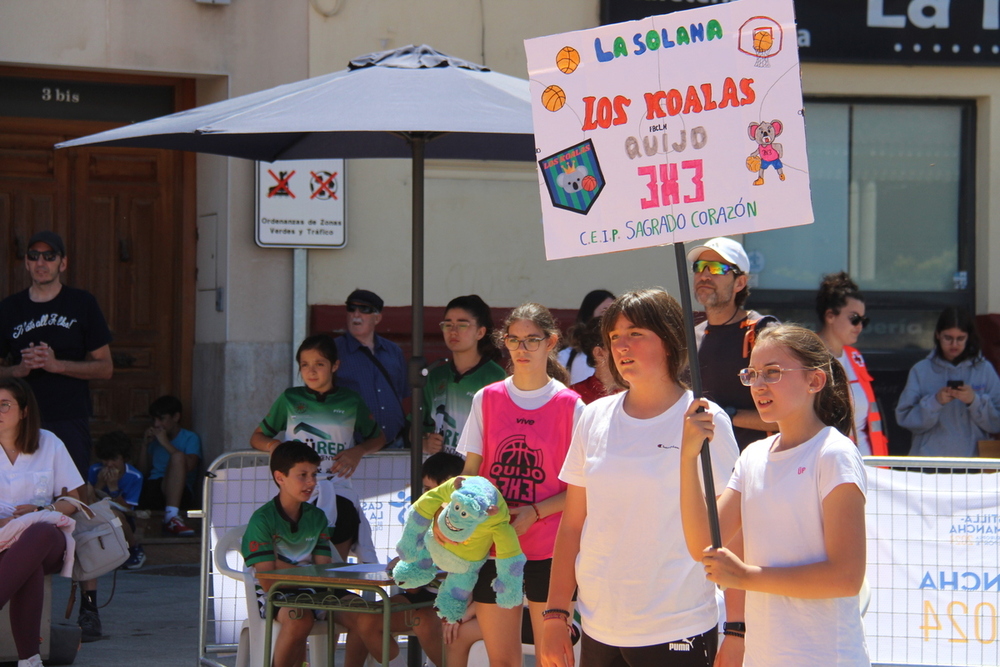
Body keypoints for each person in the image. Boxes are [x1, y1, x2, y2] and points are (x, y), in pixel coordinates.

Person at [540, 289, 741, 667]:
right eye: (614, 336)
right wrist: (555, 613)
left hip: (678, 625)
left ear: (668, 341)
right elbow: (572, 525)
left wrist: (737, 631)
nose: (622, 346)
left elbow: (732, 534)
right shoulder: (594, 416)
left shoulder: (706, 419)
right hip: (599, 624)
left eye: (635, 333)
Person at [680, 324, 870, 667]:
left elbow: (846, 577)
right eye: (751, 374)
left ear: (814, 382)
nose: (759, 385)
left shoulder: (834, 454)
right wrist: (687, 456)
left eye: (773, 372)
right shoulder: (752, 456)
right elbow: (703, 544)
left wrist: (746, 577)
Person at [455, 302, 584, 667]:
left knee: (553, 660)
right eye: (514, 340)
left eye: (532, 340)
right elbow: (471, 472)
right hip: (495, 548)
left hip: (552, 551)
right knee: (503, 662)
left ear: (551, 342)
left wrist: (535, 512)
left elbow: (582, 491)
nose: (522, 349)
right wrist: (457, 505)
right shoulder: (487, 398)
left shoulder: (572, 406)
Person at [251, 333, 385, 561]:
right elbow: (257, 436)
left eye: (319, 364)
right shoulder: (290, 399)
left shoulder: (351, 400)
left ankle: (336, 592)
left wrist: (358, 451)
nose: (311, 371)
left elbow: (378, 438)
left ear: (335, 366)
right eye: (305, 365)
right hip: (299, 491)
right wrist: (275, 447)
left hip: (338, 489)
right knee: (299, 557)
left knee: (335, 562)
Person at [0, 230, 113, 478]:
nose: (41, 262)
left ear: (62, 263)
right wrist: (18, 370)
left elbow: (105, 367)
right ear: (27, 263)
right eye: (35, 256)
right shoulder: (9, 309)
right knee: (20, 495)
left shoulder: (82, 303)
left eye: (49, 256)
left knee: (71, 495)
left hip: (69, 416)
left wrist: (57, 365)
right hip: (20, 419)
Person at [0, 377, 85, 667]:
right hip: (2, 540)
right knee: (27, 565)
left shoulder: (48, 442)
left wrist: (41, 508)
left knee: (37, 533)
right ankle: (30, 660)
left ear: (24, 411)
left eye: (4, 405)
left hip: (46, 541)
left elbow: (74, 499)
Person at [242, 441, 338, 667]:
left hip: (315, 591)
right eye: (302, 475)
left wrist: (281, 565)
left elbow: (324, 569)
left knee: (367, 614)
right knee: (298, 617)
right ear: (280, 477)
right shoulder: (262, 520)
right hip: (276, 596)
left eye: (314, 474)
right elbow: (268, 581)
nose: (311, 482)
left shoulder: (318, 517)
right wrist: (308, 573)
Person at [688, 237, 776, 450]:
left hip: (756, 468)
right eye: (699, 267)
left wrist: (725, 416)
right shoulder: (691, 337)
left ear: (740, 283)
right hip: (703, 469)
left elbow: (788, 413)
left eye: (717, 268)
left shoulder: (763, 331)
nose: (705, 275)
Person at [896, 307, 1000, 457]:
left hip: (973, 463)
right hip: (931, 462)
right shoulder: (921, 370)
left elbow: (996, 423)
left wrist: (974, 401)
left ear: (969, 337)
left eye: (960, 338)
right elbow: (904, 418)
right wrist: (935, 402)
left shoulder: (984, 369)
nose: (954, 345)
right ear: (937, 335)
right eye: (948, 338)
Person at [422, 295, 506, 455]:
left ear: (480, 332)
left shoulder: (495, 377)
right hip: (439, 474)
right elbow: (416, 427)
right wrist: (425, 444)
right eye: (447, 325)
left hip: (476, 476)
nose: (453, 331)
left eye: (462, 325)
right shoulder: (435, 376)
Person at [816, 272, 888, 456]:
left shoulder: (855, 357)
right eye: (854, 318)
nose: (859, 326)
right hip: (829, 463)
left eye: (863, 320)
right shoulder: (808, 356)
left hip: (869, 464)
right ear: (830, 316)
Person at [334, 289, 410, 448]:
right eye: (351, 308)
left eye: (364, 310)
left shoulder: (393, 351)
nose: (356, 314)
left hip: (396, 445)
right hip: (351, 450)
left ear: (377, 318)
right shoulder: (333, 350)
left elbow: (402, 394)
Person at [139, 395, 202, 537]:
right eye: (154, 420)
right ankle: (171, 518)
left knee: (178, 457)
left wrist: (165, 443)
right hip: (153, 491)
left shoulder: (190, 438)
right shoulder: (154, 441)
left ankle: (171, 516)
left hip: (180, 493)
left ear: (176, 417)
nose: (156, 424)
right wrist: (144, 446)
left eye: (161, 419)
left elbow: (190, 466)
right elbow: (143, 471)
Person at [87, 430, 145, 569]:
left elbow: (128, 508)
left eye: (114, 459)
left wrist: (113, 488)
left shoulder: (134, 476)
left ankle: (133, 549)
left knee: (116, 516)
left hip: (123, 517)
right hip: (96, 514)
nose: (109, 464)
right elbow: (88, 499)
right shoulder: (94, 471)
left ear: (124, 458)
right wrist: (100, 484)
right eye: (106, 459)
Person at [558, 289, 615, 385]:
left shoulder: (623, 353)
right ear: (589, 315)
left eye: (613, 313)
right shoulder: (566, 356)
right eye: (604, 312)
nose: (610, 318)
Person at [568, 316, 622, 404]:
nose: (626, 348)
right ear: (599, 353)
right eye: (616, 340)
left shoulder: (644, 394)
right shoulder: (572, 397)